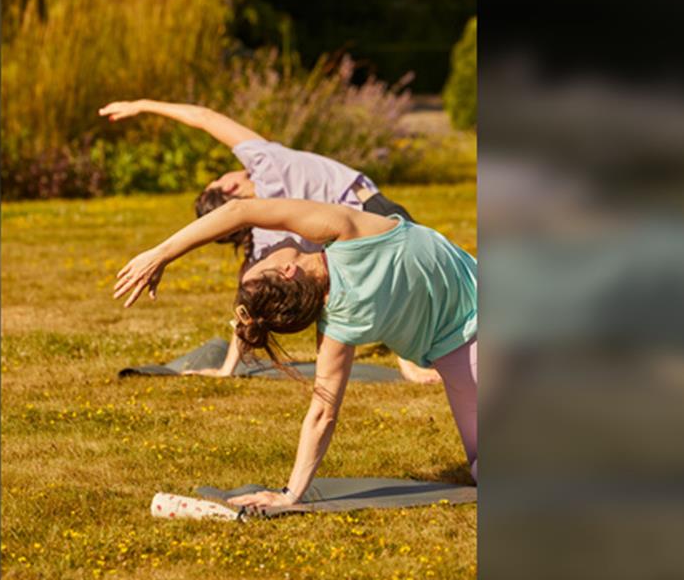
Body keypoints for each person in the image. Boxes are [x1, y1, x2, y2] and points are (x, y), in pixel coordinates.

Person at [113, 197, 478, 509]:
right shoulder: (348, 232)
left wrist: (291, 493)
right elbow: (241, 210)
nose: (267, 250)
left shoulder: (338, 324)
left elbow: (322, 412)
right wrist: (161, 254)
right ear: (287, 270)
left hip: (460, 347)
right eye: (263, 260)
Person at [98, 99, 438, 382]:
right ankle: (411, 361)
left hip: (361, 231)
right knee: (421, 285)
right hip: (374, 216)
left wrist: (227, 368)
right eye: (220, 178)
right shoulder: (265, 163)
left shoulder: (265, 235)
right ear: (228, 188)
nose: (226, 174)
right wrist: (142, 105)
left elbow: (248, 295)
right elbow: (204, 117)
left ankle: (411, 356)